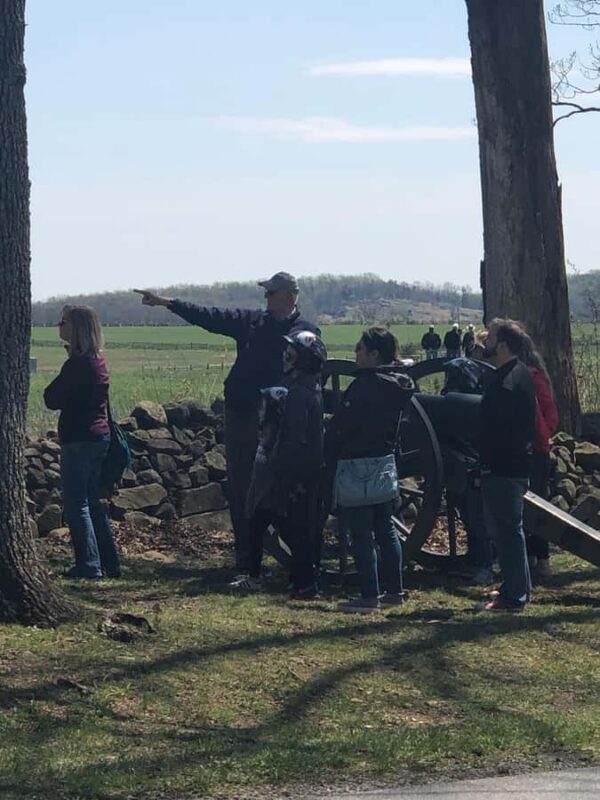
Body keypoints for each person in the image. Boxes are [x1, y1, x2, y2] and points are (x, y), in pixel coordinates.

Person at [134, 273, 319, 583]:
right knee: (241, 488)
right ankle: (246, 562)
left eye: (271, 292)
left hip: (280, 421)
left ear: (289, 296)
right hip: (243, 414)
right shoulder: (252, 322)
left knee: (277, 492)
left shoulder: (305, 333)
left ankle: (298, 564)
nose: (266, 298)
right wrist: (168, 303)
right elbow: (210, 317)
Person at [327, 327, 414, 613]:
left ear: (374, 354)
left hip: (357, 463)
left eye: (360, 350)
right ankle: (394, 591)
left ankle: (368, 595)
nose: (356, 355)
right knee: (386, 529)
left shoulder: (364, 385)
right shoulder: (399, 383)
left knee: (361, 533)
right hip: (385, 462)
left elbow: (342, 424)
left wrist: (328, 446)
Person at [244, 331, 327, 597]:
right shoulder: (306, 387)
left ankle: (306, 583)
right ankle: (304, 577)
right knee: (293, 524)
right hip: (303, 467)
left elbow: (293, 435)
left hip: (296, 469)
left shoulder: (299, 393)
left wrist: (278, 463)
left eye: (291, 351)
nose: (285, 355)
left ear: (302, 359)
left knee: (299, 527)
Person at [43, 305, 121, 579]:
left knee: (78, 505)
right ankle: (109, 562)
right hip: (99, 437)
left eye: (63, 322)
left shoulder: (77, 365)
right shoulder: (97, 361)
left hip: (78, 438)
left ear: (76, 329)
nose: (59, 326)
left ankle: (89, 564)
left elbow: (51, 398)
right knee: (92, 501)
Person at [478, 319, 536, 612]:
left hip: (503, 467)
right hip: (514, 464)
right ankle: (517, 586)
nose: (485, 343)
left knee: (507, 531)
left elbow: (496, 429)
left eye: (489, 339)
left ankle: (514, 597)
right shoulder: (519, 374)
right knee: (510, 530)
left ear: (501, 345)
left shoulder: (506, 382)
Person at [519, 330, 559, 580]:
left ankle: (541, 559)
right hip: (535, 447)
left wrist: (540, 435)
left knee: (536, 507)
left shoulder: (531, 377)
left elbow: (547, 414)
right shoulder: (534, 375)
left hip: (534, 448)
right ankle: (532, 558)